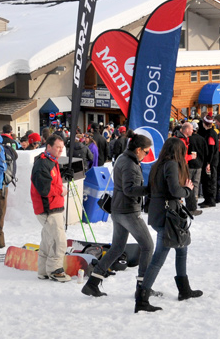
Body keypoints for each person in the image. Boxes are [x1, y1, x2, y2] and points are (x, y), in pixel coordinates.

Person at [82, 133, 155, 297]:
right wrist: (151, 189)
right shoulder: (129, 164)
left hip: (118, 210)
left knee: (117, 248)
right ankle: (143, 288)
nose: (147, 155)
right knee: (148, 246)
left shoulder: (123, 157)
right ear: (138, 150)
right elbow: (129, 189)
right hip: (128, 211)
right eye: (146, 152)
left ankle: (92, 283)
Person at [137, 137, 203, 313]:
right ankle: (142, 298)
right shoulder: (172, 165)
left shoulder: (157, 165)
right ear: (178, 152)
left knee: (182, 248)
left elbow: (153, 189)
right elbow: (175, 191)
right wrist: (187, 189)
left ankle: (184, 289)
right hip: (168, 216)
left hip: (161, 214)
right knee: (159, 257)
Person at [29, 135, 70, 281]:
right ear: (48, 147)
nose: (60, 150)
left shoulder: (52, 161)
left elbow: (51, 181)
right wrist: (61, 191)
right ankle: (55, 269)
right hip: (48, 208)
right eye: (57, 147)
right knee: (59, 240)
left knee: (48, 239)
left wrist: (64, 176)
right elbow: (44, 189)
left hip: (54, 206)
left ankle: (43, 270)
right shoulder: (42, 164)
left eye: (62, 147)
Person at [198, 115, 219, 208]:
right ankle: (207, 199)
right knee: (207, 180)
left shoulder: (210, 134)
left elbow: (211, 149)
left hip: (210, 162)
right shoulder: (210, 132)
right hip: (210, 161)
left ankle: (210, 200)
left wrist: (208, 163)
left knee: (209, 180)